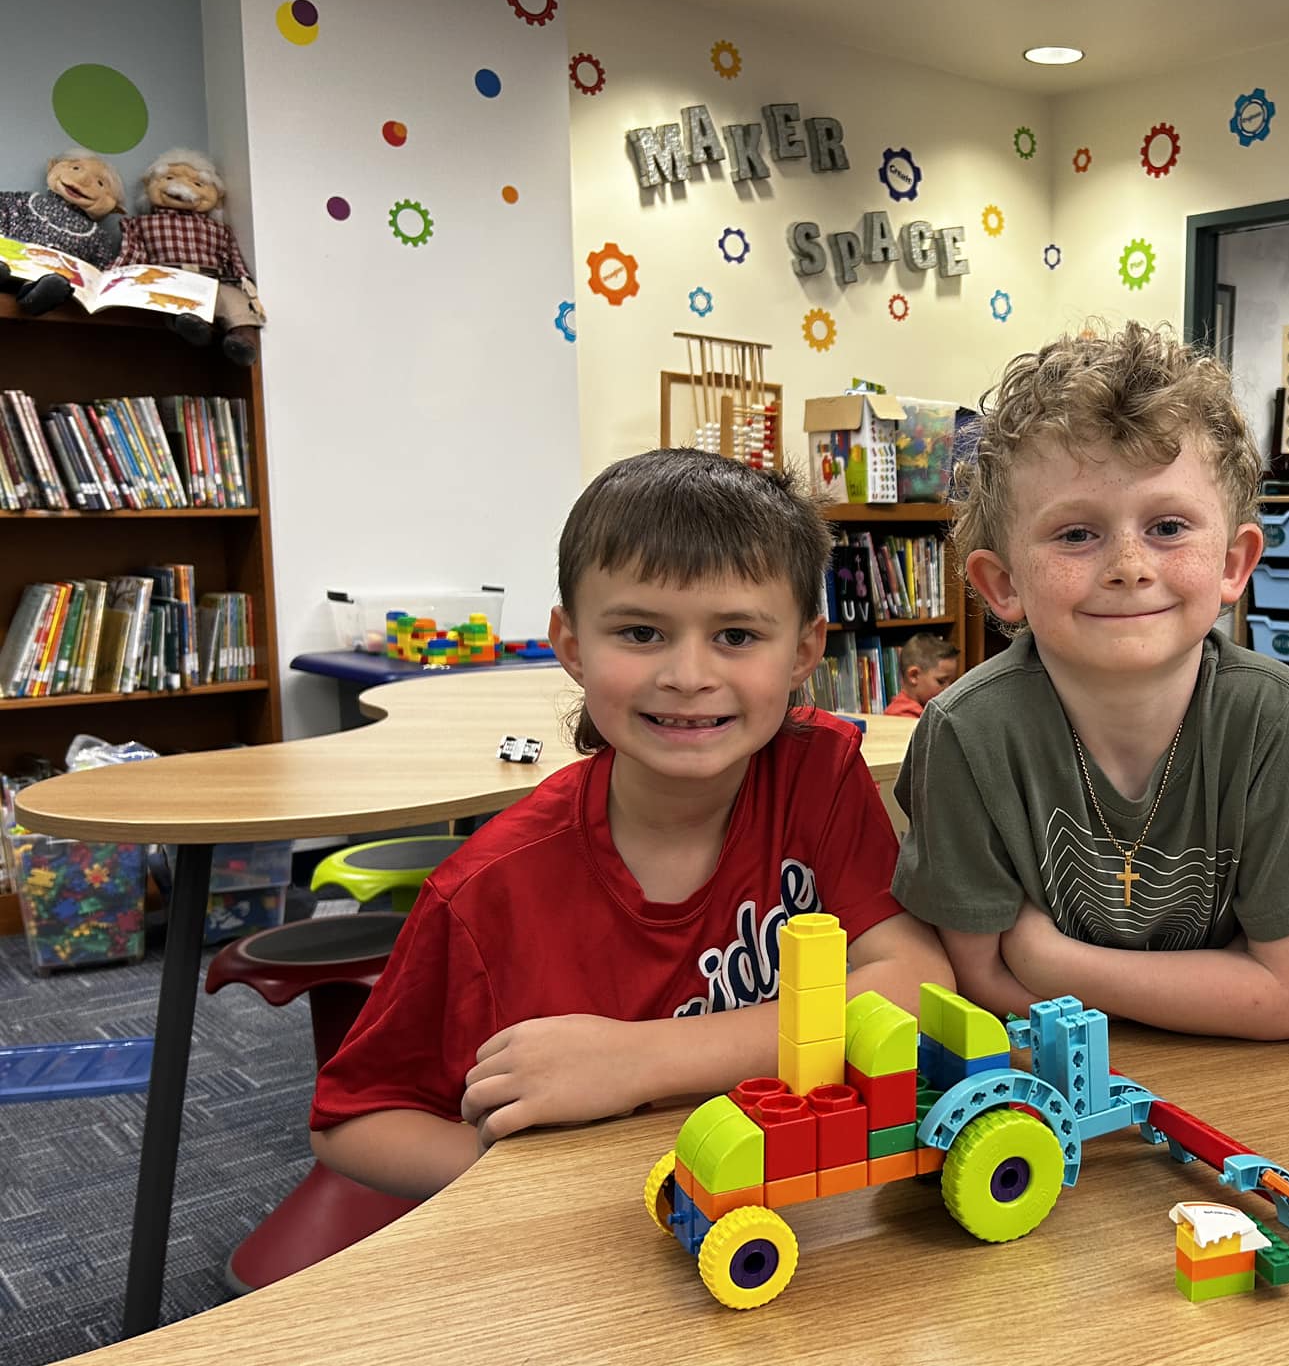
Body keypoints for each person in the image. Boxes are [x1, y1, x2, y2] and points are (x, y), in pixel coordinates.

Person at [311, 450, 952, 1198]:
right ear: (573, 646)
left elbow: (917, 983)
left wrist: (638, 1060)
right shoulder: (487, 888)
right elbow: (352, 1120)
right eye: (641, 633)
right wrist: (551, 1194)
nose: (687, 675)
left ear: (804, 651)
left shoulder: (816, 776)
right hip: (591, 1248)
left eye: (737, 636)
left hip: (781, 1208)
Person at [891, 322, 1289, 1039]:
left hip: (1255, 1090)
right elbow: (982, 982)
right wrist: (1211, 992)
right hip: (1051, 1087)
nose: (1129, 564)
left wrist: (1051, 959)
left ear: (1232, 565)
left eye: (1168, 527)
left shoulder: (1275, 718)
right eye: (1075, 535)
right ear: (1003, 584)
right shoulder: (966, 732)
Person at [883, 632, 960, 718]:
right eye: (941, 682)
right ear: (914, 676)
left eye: (952, 683)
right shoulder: (903, 716)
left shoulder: (927, 710)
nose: (949, 690)